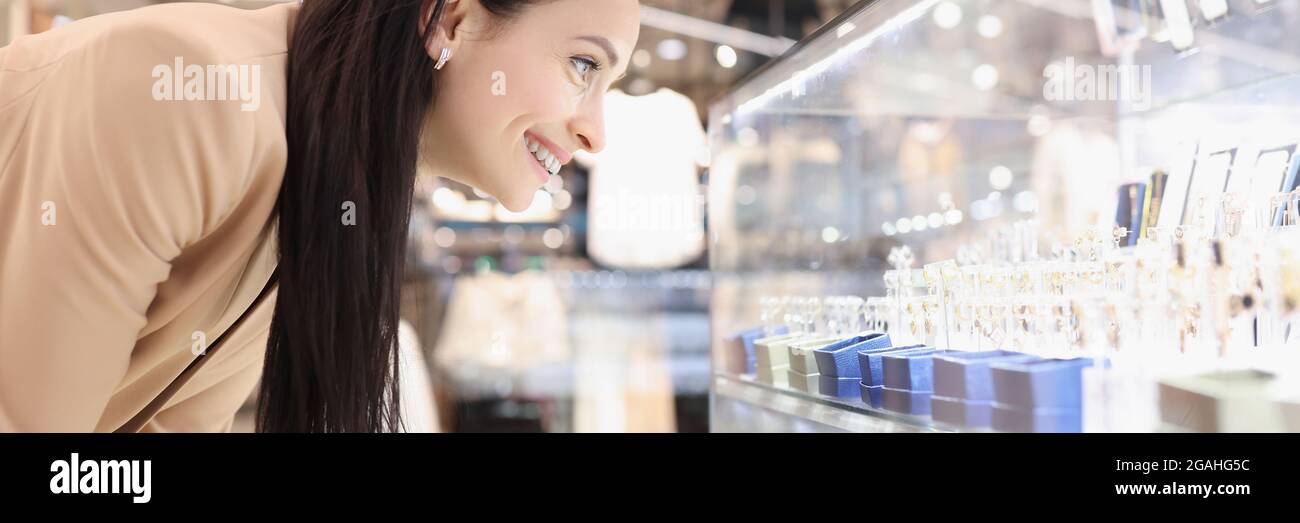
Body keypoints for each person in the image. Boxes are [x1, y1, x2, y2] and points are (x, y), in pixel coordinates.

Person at [0, 0, 640, 432]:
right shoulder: (195, 95)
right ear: (453, 20)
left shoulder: (335, 170)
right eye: (583, 64)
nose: (597, 135)